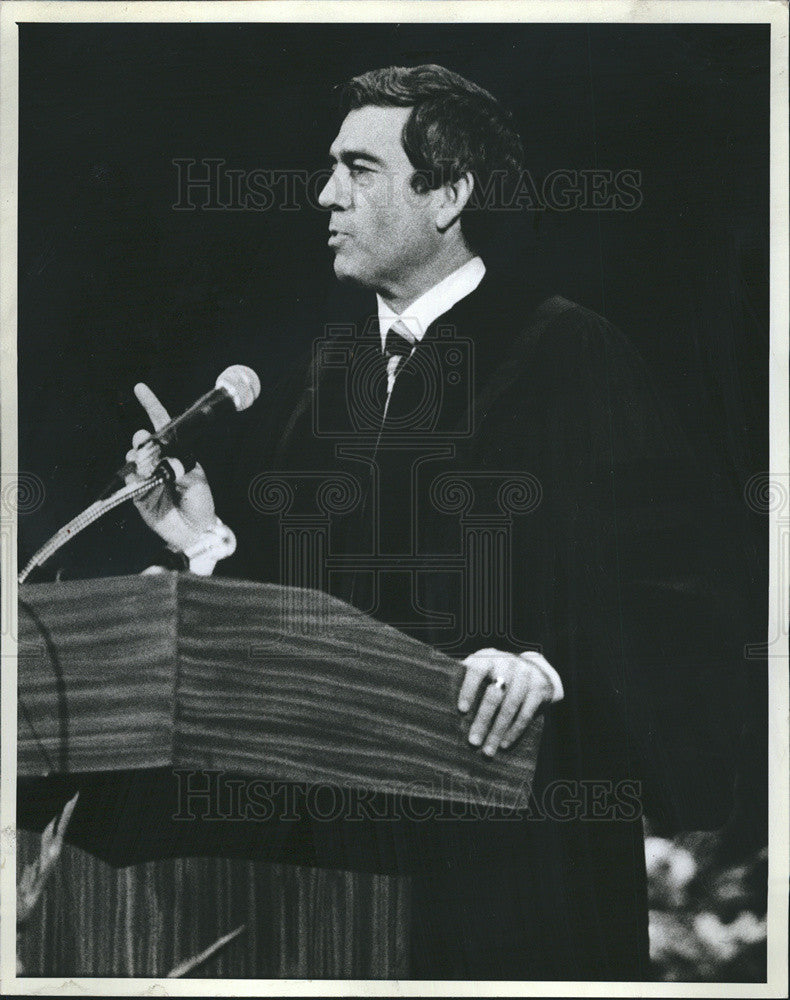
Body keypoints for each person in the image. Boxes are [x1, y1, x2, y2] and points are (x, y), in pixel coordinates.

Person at [126, 65, 747, 980]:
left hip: (521, 878)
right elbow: (319, 630)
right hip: (347, 899)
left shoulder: (569, 355)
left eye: (359, 168)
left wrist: (544, 667)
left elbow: (677, 606)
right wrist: (207, 546)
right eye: (333, 167)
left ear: (450, 193)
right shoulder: (328, 384)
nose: (325, 192)